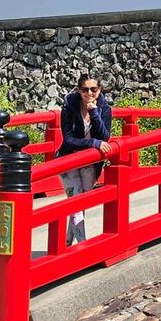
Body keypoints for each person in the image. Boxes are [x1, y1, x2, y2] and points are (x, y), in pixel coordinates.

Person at [56, 73, 113, 245]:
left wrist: (94, 112)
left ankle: (67, 243)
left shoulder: (105, 109)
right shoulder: (68, 108)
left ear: (99, 90)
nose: (89, 93)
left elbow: (105, 136)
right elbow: (68, 139)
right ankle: (83, 247)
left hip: (90, 163)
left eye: (93, 89)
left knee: (79, 204)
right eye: (85, 89)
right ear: (79, 91)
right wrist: (93, 142)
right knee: (76, 203)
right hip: (68, 160)